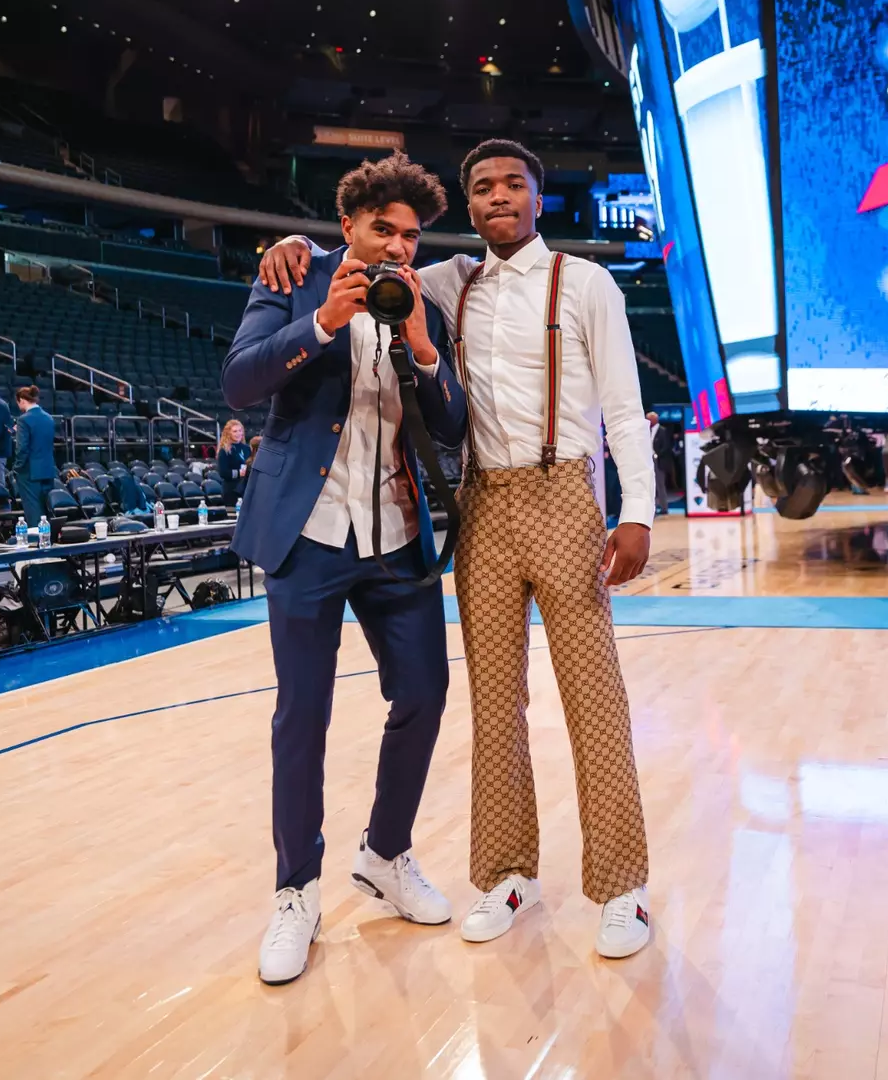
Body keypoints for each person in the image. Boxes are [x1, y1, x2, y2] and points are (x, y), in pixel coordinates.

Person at [259, 138, 656, 959]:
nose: (498, 197)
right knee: (493, 705)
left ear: (538, 199)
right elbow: (365, 256)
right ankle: (507, 874)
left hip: (563, 493)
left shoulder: (586, 283)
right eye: (483, 188)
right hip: (482, 504)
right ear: (469, 208)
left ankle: (624, 890)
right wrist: (292, 249)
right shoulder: (443, 283)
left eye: (514, 184)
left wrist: (638, 512)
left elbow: (623, 407)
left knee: (594, 696)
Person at [224, 152, 468, 986]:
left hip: (397, 535)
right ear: (348, 226)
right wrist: (320, 323)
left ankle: (386, 852)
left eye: (410, 235)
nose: (399, 247)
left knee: (426, 694)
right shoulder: (293, 275)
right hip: (308, 532)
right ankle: (295, 891)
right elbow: (238, 382)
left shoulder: (424, 297)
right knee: (304, 715)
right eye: (383, 230)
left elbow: (456, 423)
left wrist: (428, 356)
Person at [11, 385, 58, 525]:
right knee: (47, 512)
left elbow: (22, 448)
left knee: (34, 513)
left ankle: (36, 543)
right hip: (48, 470)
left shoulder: (23, 420)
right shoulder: (49, 418)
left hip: (29, 472)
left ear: (22, 400)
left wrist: (17, 468)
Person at [216, 419, 252, 502]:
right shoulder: (224, 450)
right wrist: (239, 473)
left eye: (240, 430)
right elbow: (223, 472)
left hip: (245, 489)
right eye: (235, 431)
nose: (238, 433)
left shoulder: (246, 448)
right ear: (228, 434)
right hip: (231, 490)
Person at [649, 411, 674, 515]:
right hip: (648, 460)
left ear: (655, 419)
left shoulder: (663, 431)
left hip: (658, 460)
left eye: (649, 419)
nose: (647, 421)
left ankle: (664, 508)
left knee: (660, 485)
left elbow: (667, 446)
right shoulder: (646, 431)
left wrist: (657, 454)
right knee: (650, 485)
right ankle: (652, 508)